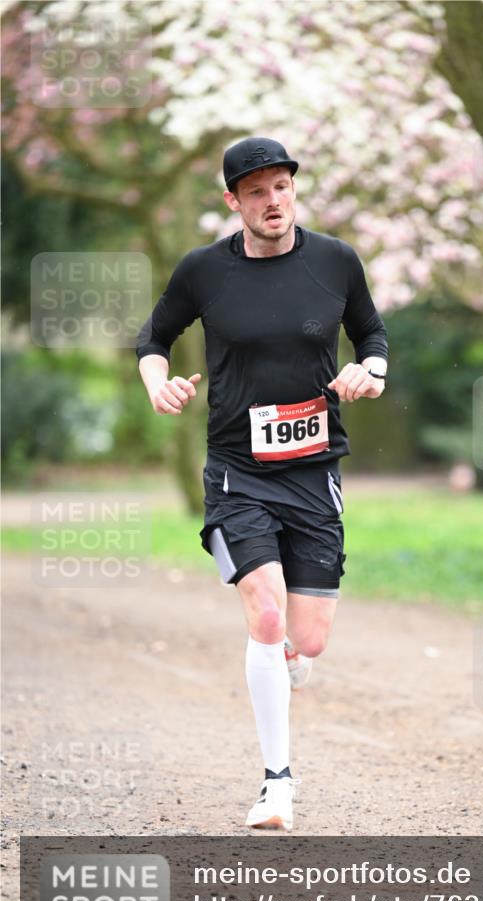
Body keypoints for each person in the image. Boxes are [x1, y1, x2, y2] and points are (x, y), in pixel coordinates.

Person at [136, 136, 388, 832]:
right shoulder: (203, 271)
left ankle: (285, 661)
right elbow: (152, 340)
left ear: (292, 190)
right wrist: (158, 386)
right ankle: (277, 782)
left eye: (280, 186)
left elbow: (372, 334)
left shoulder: (334, 261)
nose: (271, 201)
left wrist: (372, 371)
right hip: (236, 471)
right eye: (256, 191)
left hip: (312, 473)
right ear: (233, 201)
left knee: (306, 641)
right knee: (266, 614)